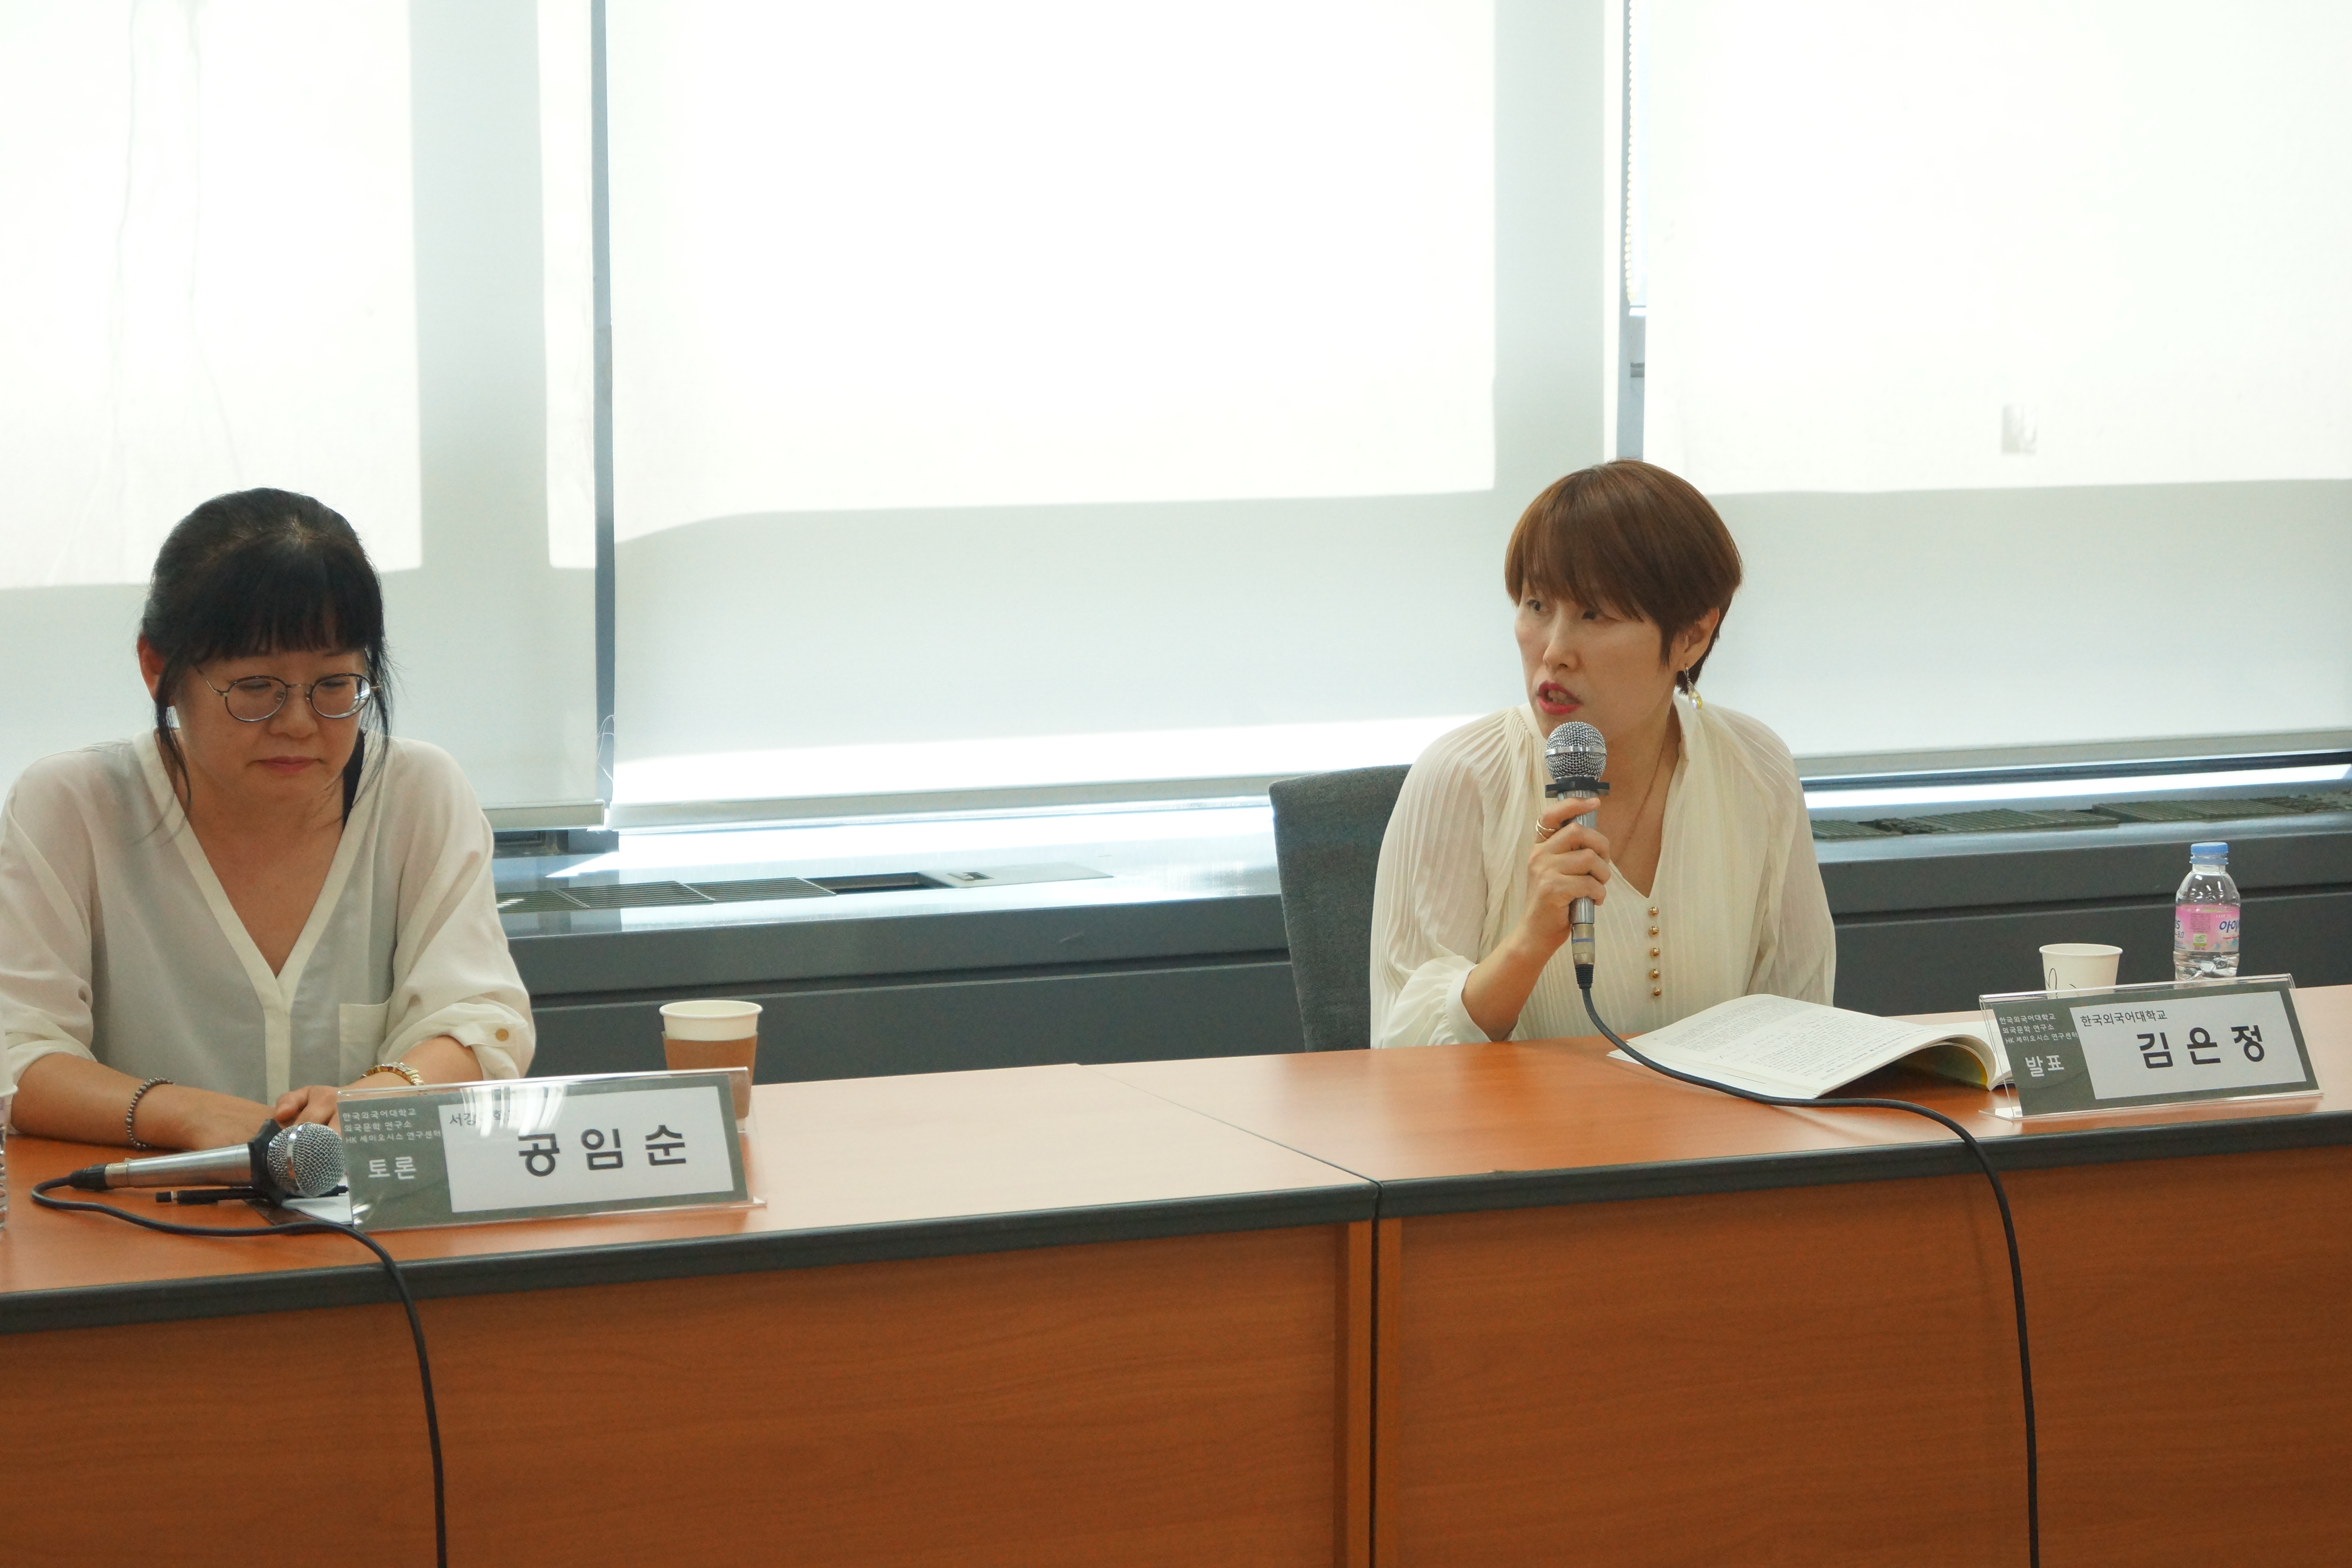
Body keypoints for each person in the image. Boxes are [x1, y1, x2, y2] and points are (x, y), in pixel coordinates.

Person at [0, 489, 533, 1151]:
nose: (299, 724)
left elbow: (479, 1019)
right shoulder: (72, 806)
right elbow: (18, 1052)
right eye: (256, 688)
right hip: (128, 1204)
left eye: (334, 685)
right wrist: (184, 1115)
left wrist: (372, 1100)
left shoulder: (418, 793)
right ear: (158, 669)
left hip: (364, 1198)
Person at [1369, 460, 1833, 1049]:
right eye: (1537, 605)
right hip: (1520, 1116)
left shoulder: (1756, 767)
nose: (1555, 651)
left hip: (1718, 1113)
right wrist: (1530, 941)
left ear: (1691, 636)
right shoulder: (1462, 778)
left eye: (1595, 614)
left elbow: (1802, 1019)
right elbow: (1402, 1063)